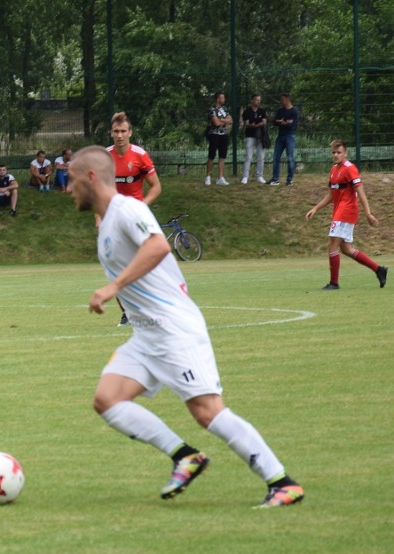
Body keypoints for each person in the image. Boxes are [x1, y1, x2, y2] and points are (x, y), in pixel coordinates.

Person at [68, 145, 305, 508]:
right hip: (147, 334)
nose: (66, 189)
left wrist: (113, 287)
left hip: (173, 329)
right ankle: (184, 456)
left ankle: (282, 482)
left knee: (208, 411)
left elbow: (159, 246)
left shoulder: (128, 209)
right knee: (107, 399)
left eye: (70, 180)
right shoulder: (104, 223)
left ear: (91, 177)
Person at [105, 112, 162, 327]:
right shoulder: (105, 156)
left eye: (123, 131)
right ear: (111, 133)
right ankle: (127, 312)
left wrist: (140, 207)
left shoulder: (140, 155)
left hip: (137, 219)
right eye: (116, 131)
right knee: (115, 269)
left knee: (144, 266)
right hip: (114, 219)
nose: (120, 135)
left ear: (130, 132)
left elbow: (156, 187)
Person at [305, 140, 387, 290]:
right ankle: (379, 269)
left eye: (339, 152)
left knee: (332, 245)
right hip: (339, 211)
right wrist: (316, 208)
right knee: (346, 249)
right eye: (333, 153)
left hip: (346, 211)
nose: (336, 155)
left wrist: (368, 212)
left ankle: (334, 283)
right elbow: (331, 194)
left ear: (345, 153)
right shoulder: (334, 169)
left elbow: (360, 191)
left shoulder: (350, 169)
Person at [268, 93, 299, 186]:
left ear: (287, 99)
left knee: (290, 158)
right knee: (276, 157)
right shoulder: (280, 111)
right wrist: (282, 122)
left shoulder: (294, 111)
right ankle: (275, 179)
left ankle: (289, 179)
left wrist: (283, 122)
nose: (281, 101)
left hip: (290, 136)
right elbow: (274, 121)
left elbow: (293, 124)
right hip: (280, 136)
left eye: (282, 99)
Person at [205, 91, 232, 186]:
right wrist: (225, 121)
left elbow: (231, 120)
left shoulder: (224, 109)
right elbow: (215, 123)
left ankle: (220, 177)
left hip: (224, 134)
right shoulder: (211, 109)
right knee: (211, 155)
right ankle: (208, 176)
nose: (224, 100)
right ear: (218, 99)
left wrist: (221, 120)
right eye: (222, 98)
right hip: (214, 134)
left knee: (222, 156)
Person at [241, 94, 267, 185]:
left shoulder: (262, 111)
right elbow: (247, 123)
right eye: (256, 100)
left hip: (260, 136)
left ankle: (260, 175)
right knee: (248, 156)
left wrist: (260, 124)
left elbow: (264, 121)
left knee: (261, 156)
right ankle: (245, 176)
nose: (258, 102)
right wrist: (254, 125)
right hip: (250, 135)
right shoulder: (247, 111)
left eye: (259, 100)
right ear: (252, 100)